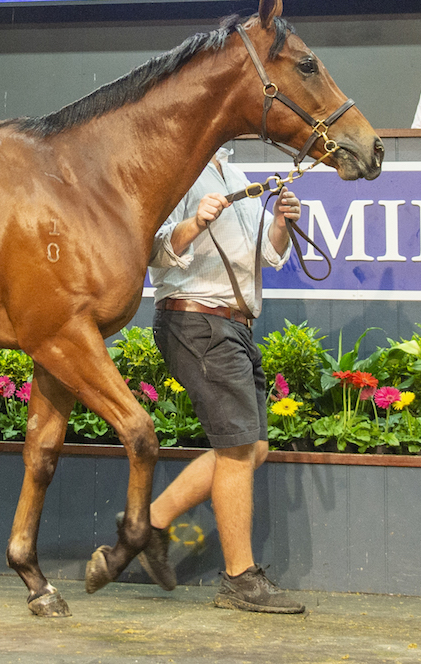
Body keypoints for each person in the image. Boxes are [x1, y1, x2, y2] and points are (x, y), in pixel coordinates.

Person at [136, 144, 306, 613]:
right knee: (236, 450)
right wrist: (194, 224)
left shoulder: (234, 172)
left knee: (254, 448)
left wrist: (279, 226)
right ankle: (240, 579)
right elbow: (149, 249)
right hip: (196, 319)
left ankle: (149, 524)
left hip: (234, 323)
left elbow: (267, 256)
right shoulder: (176, 169)